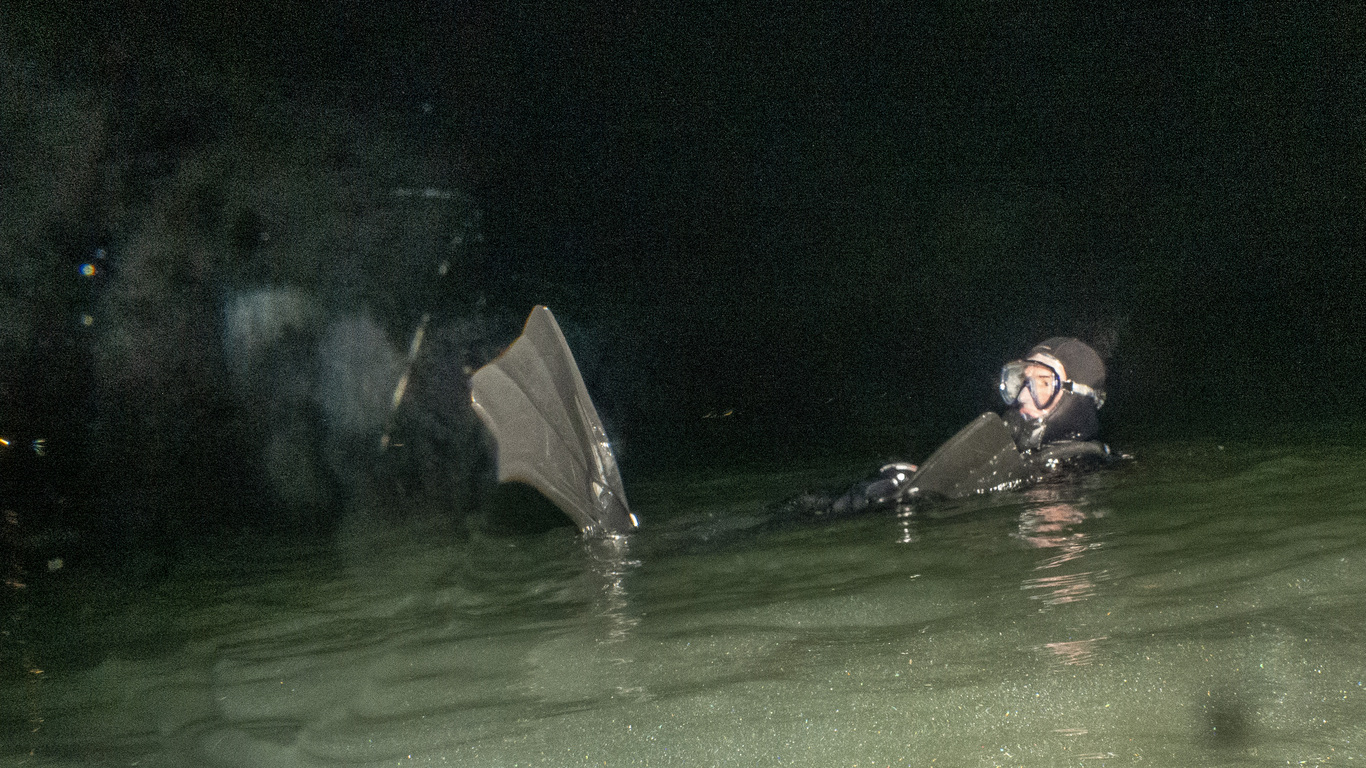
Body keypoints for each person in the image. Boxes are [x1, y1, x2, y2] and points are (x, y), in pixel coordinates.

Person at [788, 337, 1112, 520]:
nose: (1024, 396)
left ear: (1077, 398)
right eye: (1022, 381)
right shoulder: (1018, 449)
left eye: (1043, 383)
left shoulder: (1082, 462)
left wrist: (917, 498)